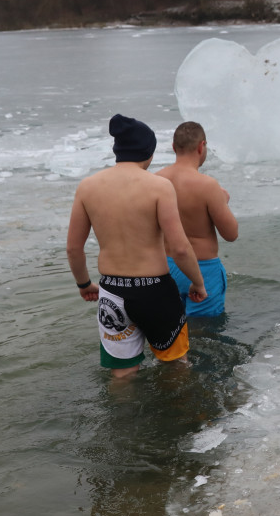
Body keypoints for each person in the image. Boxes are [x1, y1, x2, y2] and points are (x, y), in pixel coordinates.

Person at [66, 114, 206, 377]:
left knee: (122, 374)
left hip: (112, 292)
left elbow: (74, 248)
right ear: (148, 152)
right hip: (155, 291)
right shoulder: (159, 187)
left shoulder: (87, 187)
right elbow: (180, 248)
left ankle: (121, 418)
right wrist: (197, 283)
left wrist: (84, 285)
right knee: (176, 367)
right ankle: (181, 417)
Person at [155, 121, 239, 317]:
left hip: (166, 268)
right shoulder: (207, 186)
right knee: (204, 333)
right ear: (202, 147)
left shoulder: (156, 180)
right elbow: (231, 234)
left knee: (172, 330)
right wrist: (223, 202)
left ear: (174, 147)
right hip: (202, 269)